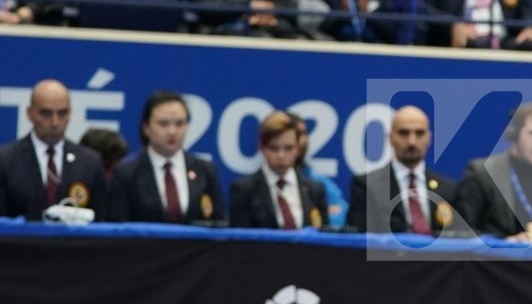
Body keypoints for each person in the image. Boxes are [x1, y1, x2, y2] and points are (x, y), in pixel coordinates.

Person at [455, 102, 532, 240]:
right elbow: (462, 232)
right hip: (497, 253)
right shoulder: (482, 173)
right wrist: (507, 243)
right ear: (514, 134)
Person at [104, 90, 224, 224]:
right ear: (146, 128)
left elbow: (218, 224)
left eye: (179, 124)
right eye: (163, 124)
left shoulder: (205, 171)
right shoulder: (126, 173)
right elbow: (119, 226)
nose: (172, 132)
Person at [0, 80, 104, 220]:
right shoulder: (6, 161)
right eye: (46, 113)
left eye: (62, 113)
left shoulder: (90, 163)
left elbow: (100, 223)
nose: (55, 122)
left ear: (70, 113)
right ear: (30, 113)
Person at [347, 106, 458, 235]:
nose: (412, 142)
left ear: (429, 138)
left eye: (419, 133)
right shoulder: (367, 186)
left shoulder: (447, 189)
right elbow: (359, 239)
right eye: (404, 133)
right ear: (390, 137)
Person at [228, 110, 329, 229]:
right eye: (273, 148)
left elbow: (323, 236)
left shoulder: (315, 191)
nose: (281, 155)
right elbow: (240, 238)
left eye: (288, 148)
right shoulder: (244, 190)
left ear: (298, 149)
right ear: (262, 148)